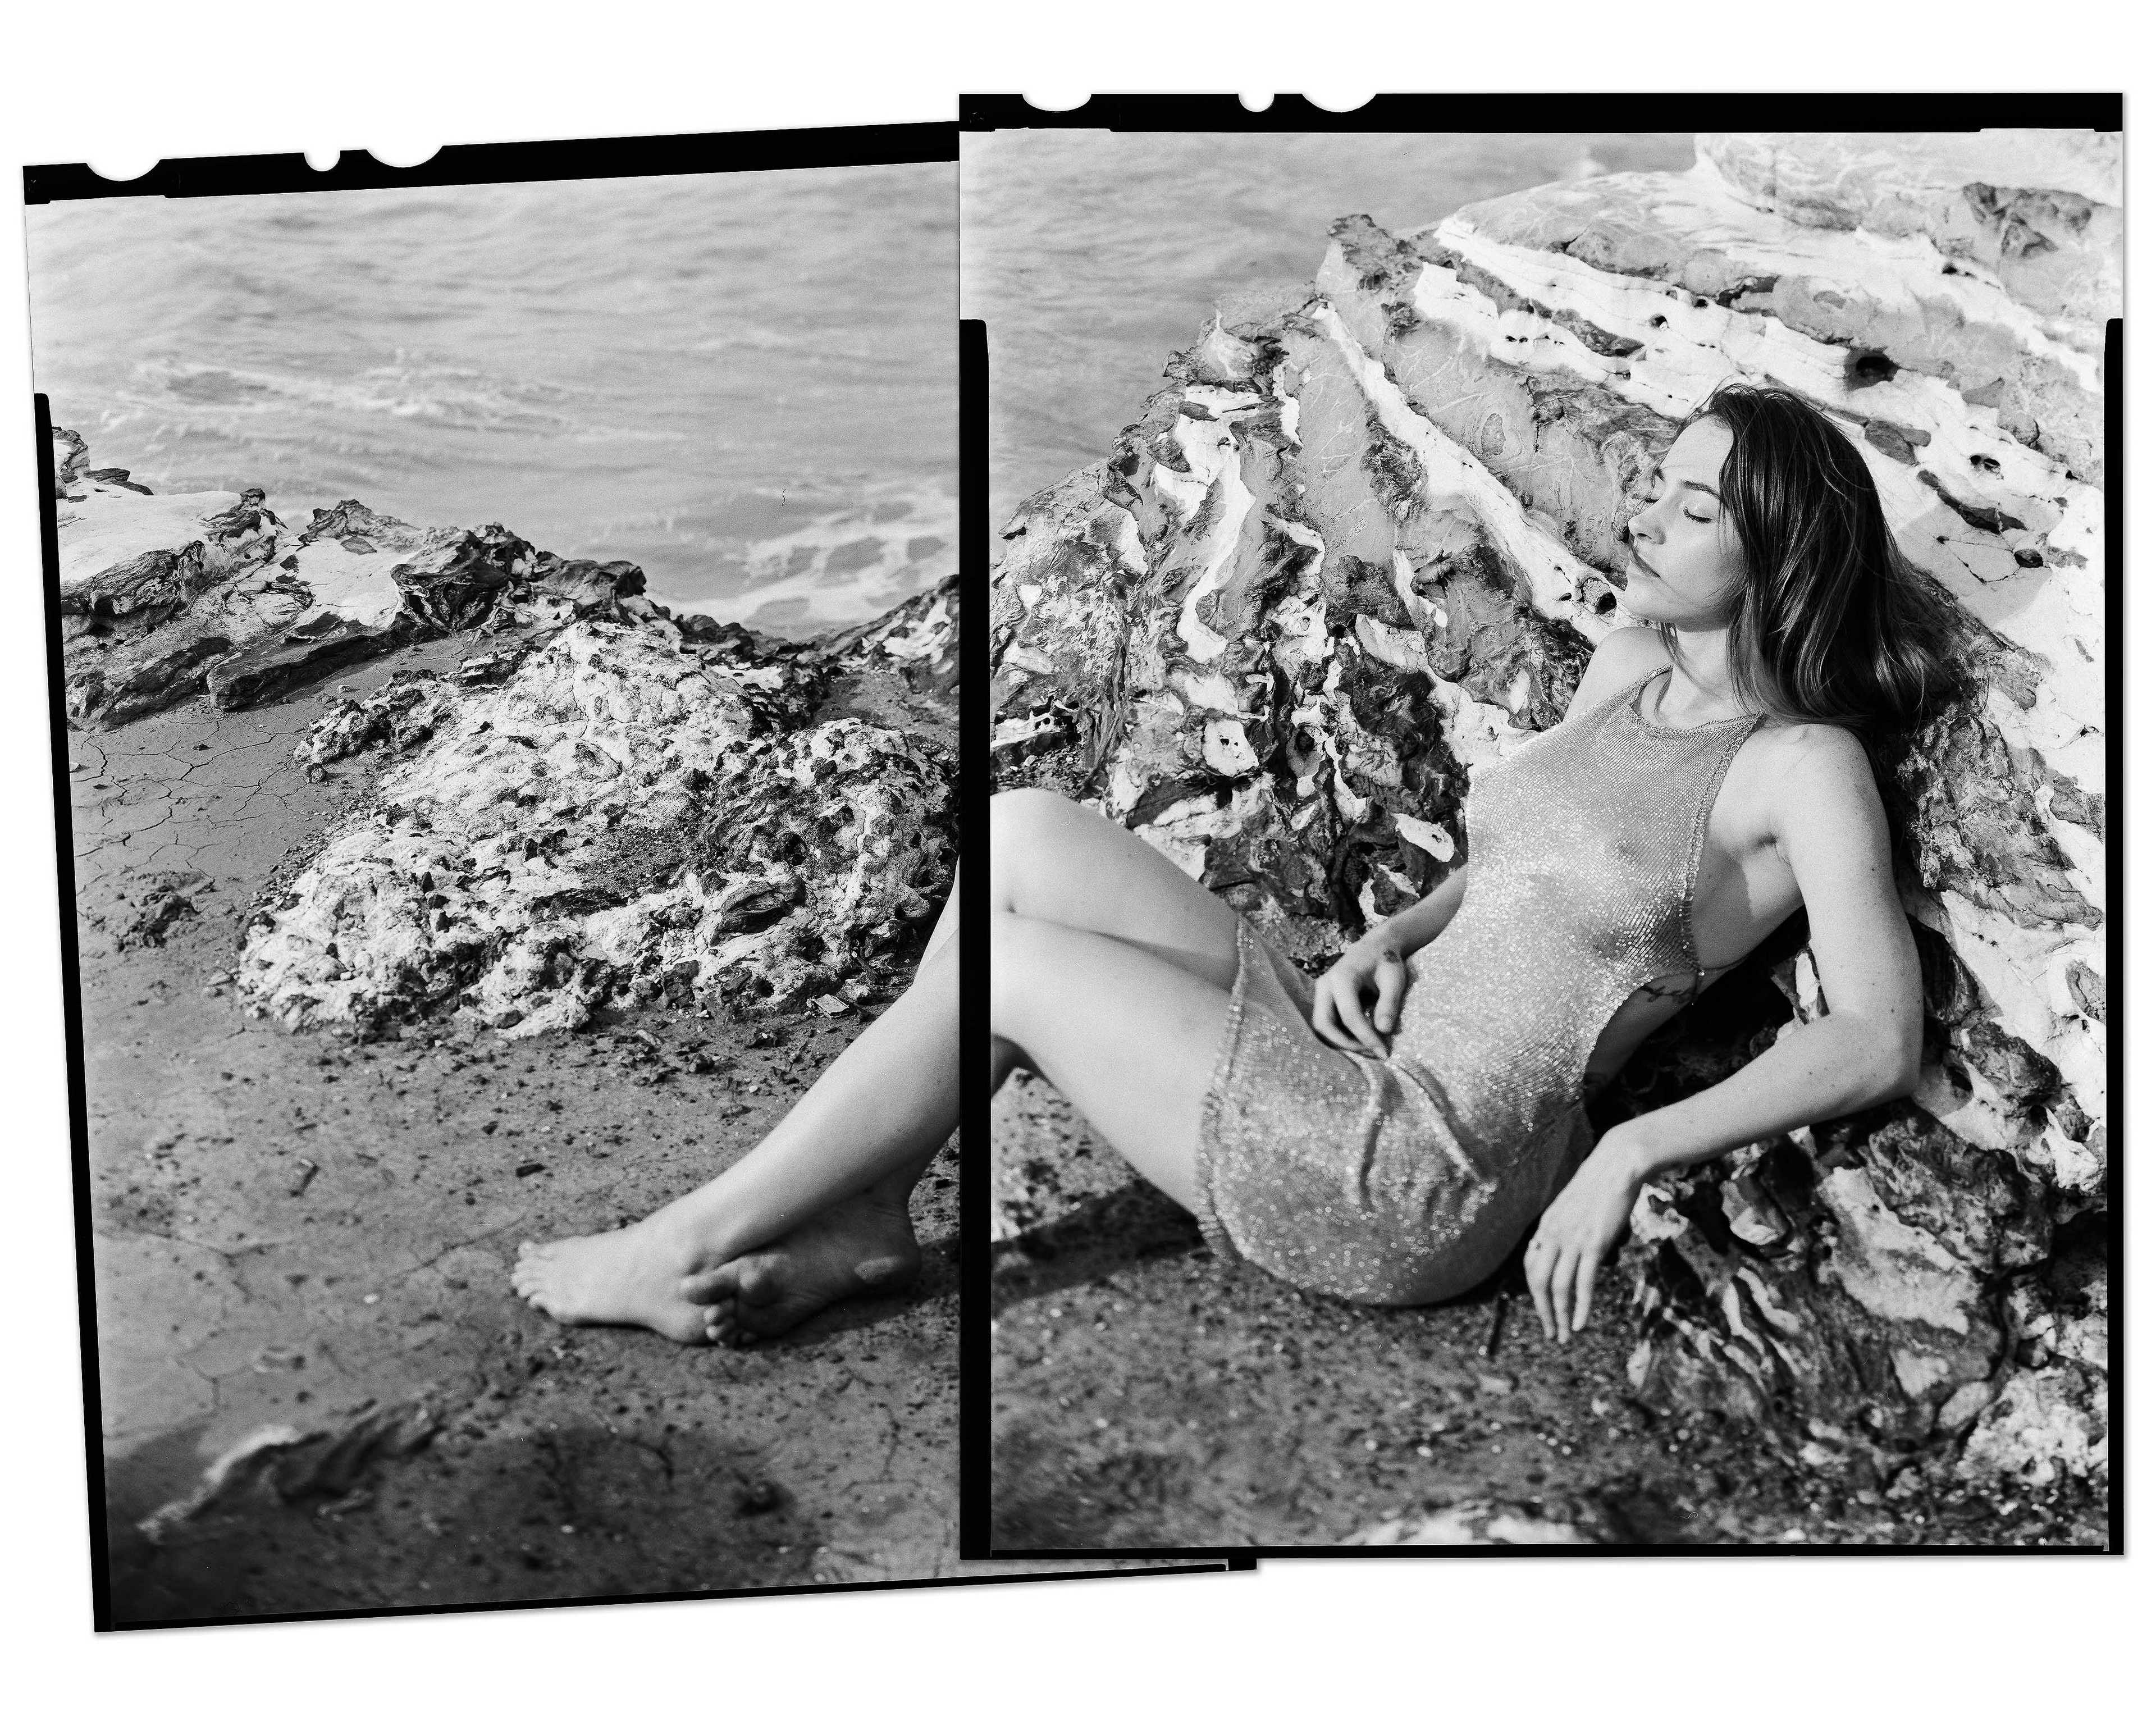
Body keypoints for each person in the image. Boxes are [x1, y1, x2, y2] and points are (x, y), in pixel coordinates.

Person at [989, 382, 1953, 1345]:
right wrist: (1398, 932)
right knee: (1018, 831)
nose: (1644, 521)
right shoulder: (1628, 668)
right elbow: (1529, 863)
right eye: (1656, 488)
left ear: (1781, 563)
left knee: (1006, 969)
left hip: (1420, 1171)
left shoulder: (1802, 767)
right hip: (1360, 1051)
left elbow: (1878, 1036)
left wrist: (1633, 1149)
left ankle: (845, 1225)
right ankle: (870, 1195)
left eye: (1694, 511)